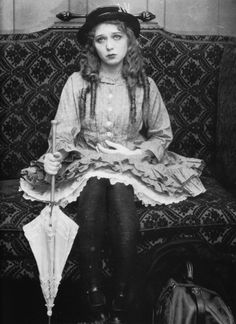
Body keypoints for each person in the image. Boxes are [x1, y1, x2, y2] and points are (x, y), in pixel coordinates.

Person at [21, 5, 206, 324]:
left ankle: (122, 298)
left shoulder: (144, 85)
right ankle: (93, 299)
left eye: (116, 37)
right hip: (87, 159)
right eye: (100, 39)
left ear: (130, 41)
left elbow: (162, 134)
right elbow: (63, 131)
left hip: (129, 161)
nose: (109, 46)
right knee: (92, 196)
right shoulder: (77, 83)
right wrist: (57, 154)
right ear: (92, 44)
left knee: (121, 197)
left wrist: (134, 152)